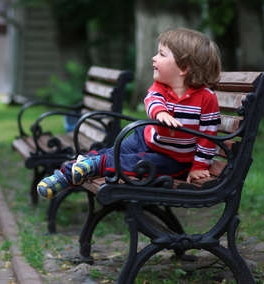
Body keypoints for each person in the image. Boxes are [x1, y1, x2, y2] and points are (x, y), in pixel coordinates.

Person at [37, 28, 222, 200]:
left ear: (184, 68)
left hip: (174, 160)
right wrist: (161, 112)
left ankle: (89, 167)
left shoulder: (206, 99)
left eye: (161, 54)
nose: (154, 58)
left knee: (135, 162)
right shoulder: (160, 87)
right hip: (147, 138)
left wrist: (199, 166)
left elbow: (208, 137)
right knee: (113, 151)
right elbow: (152, 101)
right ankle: (66, 174)